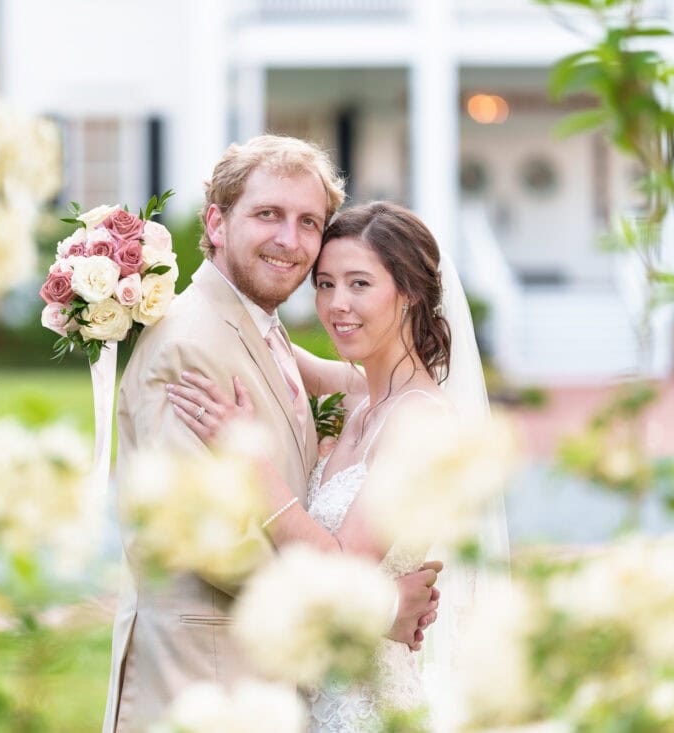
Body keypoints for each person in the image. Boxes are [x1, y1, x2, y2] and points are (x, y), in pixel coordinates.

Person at [103, 138, 443, 733]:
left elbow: (381, 384)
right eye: (268, 215)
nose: (290, 240)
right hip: (202, 683)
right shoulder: (190, 343)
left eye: (308, 221)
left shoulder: (266, 333)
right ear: (216, 221)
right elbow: (211, 541)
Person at [168, 201, 504, 731]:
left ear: (410, 293)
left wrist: (249, 457)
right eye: (324, 284)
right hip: (313, 691)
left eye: (359, 284)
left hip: (364, 707)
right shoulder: (365, 398)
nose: (336, 305)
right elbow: (260, 338)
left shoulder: (422, 425)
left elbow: (345, 565)